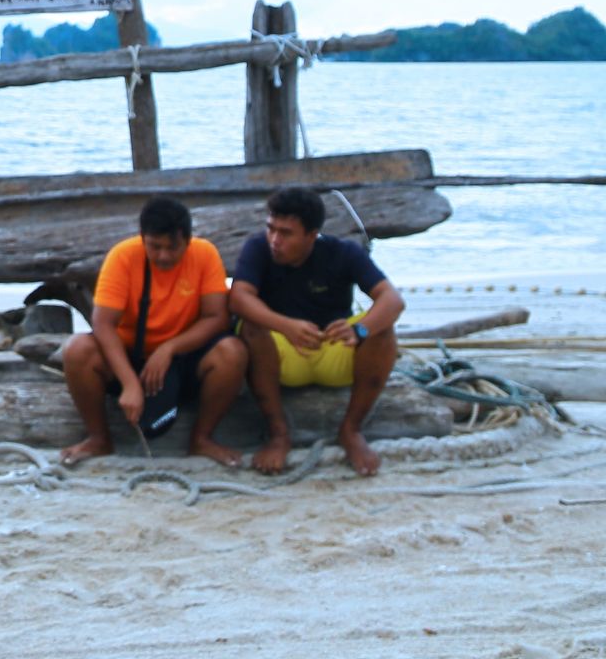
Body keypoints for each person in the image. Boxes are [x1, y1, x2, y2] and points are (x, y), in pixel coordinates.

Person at [226, 185, 405, 476]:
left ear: (312, 235)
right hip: (282, 352)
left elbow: (392, 300)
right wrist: (286, 325)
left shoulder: (343, 252)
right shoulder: (258, 247)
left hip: (333, 345)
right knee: (251, 326)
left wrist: (359, 330)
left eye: (286, 233)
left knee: (381, 330)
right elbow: (239, 298)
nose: (274, 240)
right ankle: (279, 434)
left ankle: (351, 430)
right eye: (271, 229)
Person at [59, 196, 247, 467]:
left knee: (232, 352)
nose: (163, 256)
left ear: (188, 240)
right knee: (77, 350)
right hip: (130, 356)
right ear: (142, 238)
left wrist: (169, 348)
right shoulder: (123, 256)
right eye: (154, 247)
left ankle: (202, 439)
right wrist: (129, 383)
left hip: (184, 359)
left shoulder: (204, 254)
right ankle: (99, 439)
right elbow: (102, 323)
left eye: (173, 248)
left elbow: (216, 317)